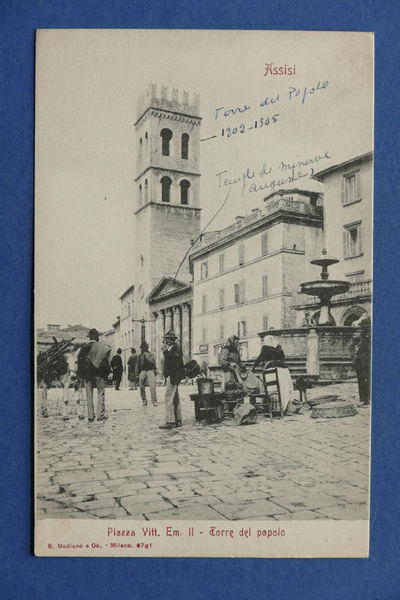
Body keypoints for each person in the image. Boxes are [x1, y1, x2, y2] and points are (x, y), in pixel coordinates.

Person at [252, 334, 295, 412]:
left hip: (271, 370)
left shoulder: (265, 348)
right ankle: (283, 405)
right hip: (283, 371)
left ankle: (272, 407)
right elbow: (283, 358)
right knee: (283, 387)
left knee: (269, 387)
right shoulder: (278, 347)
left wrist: (254, 367)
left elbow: (260, 358)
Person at [77, 328, 111, 422]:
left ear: (89, 338)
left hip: (88, 375)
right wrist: (107, 373)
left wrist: (80, 374)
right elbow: (105, 362)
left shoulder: (83, 348)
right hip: (100, 374)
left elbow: (80, 362)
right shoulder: (102, 347)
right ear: (97, 337)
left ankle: (91, 416)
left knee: (89, 395)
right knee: (100, 394)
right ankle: (100, 415)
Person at [159, 330, 185, 429]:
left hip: (174, 376)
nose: (165, 341)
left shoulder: (175, 349)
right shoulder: (173, 349)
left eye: (166, 339)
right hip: (172, 376)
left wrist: (165, 352)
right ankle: (178, 420)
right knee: (175, 398)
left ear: (170, 340)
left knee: (169, 397)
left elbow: (173, 363)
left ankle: (170, 421)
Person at [352, 317, 371, 405]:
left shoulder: (368, 337)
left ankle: (365, 399)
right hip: (360, 362)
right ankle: (362, 399)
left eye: (364, 326)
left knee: (365, 381)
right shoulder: (361, 337)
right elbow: (354, 348)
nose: (362, 327)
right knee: (361, 381)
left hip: (366, 363)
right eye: (361, 326)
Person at [137, 341, 158, 407]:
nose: (143, 349)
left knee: (152, 386)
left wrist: (147, 356)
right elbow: (137, 365)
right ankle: (144, 400)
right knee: (141, 386)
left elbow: (153, 361)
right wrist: (137, 373)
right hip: (143, 371)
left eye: (145, 347)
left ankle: (154, 401)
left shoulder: (151, 354)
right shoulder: (140, 355)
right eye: (142, 348)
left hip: (150, 370)